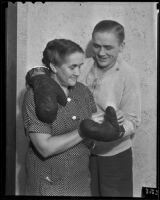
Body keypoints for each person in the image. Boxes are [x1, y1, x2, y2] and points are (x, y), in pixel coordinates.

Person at [22, 39, 98, 196]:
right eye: (72, 67)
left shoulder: (83, 91)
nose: (78, 72)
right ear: (53, 66)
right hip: (49, 185)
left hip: (81, 182)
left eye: (80, 66)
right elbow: (45, 148)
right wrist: (83, 131)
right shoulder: (35, 97)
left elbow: (93, 137)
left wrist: (106, 124)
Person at [78, 20, 141, 197]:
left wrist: (117, 130)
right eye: (96, 46)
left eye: (108, 47)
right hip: (81, 151)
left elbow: (133, 120)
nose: (101, 53)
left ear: (121, 46)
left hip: (115, 156)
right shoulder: (82, 67)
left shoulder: (129, 75)